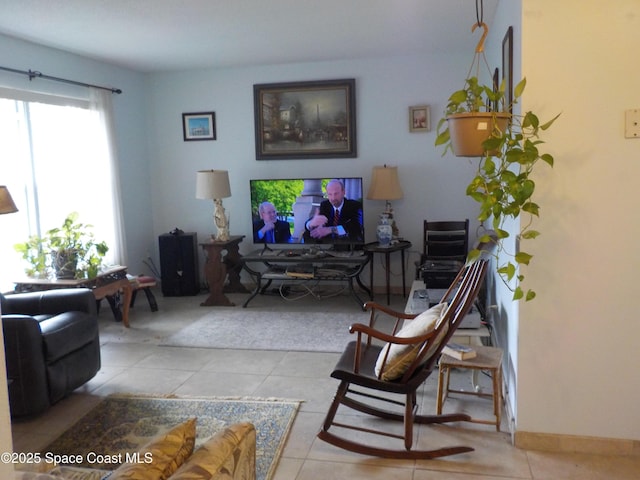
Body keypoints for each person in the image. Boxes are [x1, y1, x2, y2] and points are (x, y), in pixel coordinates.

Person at [304, 179, 364, 243]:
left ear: (343, 192)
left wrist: (330, 230)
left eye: (336, 194)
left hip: (348, 245)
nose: (333, 198)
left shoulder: (354, 206)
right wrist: (311, 224)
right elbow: (316, 221)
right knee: (308, 234)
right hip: (329, 245)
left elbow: (356, 228)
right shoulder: (325, 205)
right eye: (330, 194)